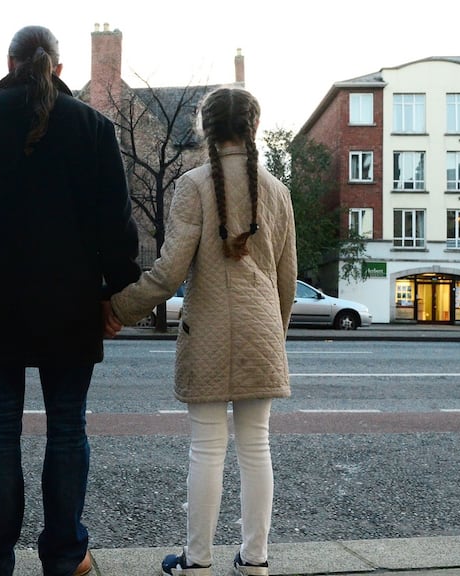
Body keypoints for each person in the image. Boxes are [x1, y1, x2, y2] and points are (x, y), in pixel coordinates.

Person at [0, 25, 141, 576]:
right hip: (71, 303)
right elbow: (117, 227)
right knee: (68, 427)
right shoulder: (94, 128)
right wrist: (116, 295)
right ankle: (67, 555)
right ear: (60, 69)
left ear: (9, 62)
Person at [106, 87, 297, 576]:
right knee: (257, 447)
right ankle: (255, 561)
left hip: (208, 329)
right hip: (262, 332)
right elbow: (287, 281)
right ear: (254, 127)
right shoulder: (277, 190)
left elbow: (169, 273)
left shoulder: (193, 185)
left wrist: (119, 308)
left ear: (206, 129)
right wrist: (276, 334)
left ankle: (197, 561)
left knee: (206, 449)